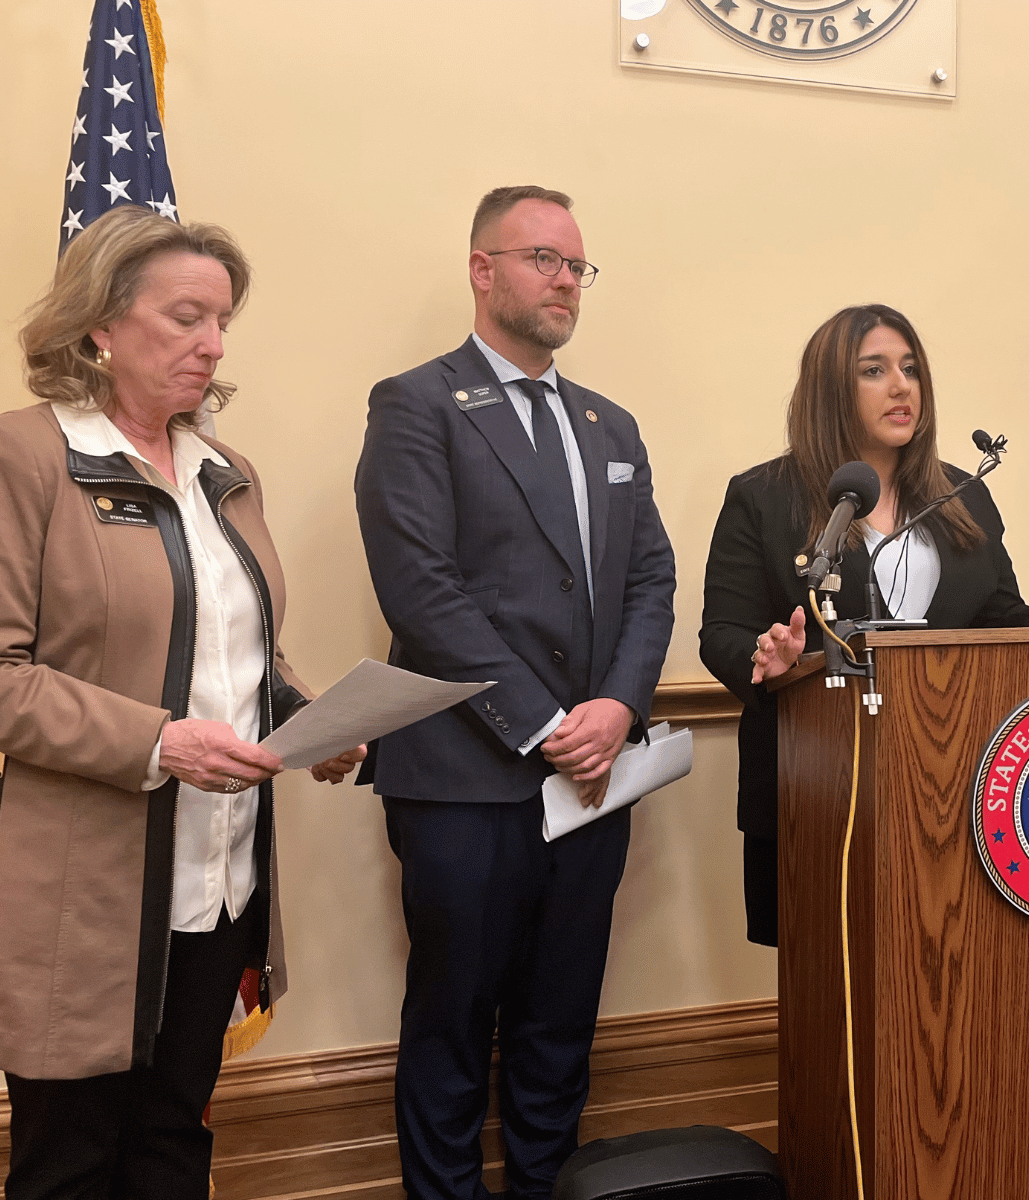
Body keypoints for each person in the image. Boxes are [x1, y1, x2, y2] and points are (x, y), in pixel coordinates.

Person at [0, 204, 363, 1200]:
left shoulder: (226, 474)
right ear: (100, 325)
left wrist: (312, 720)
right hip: (81, 890)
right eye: (186, 317)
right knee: (71, 1165)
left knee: (173, 1147)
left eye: (224, 323)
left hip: (219, 878)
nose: (212, 345)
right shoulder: (16, 456)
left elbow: (233, 654)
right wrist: (163, 745)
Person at [354, 185, 676, 1199]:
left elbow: (650, 580)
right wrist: (544, 725)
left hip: (594, 780)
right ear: (482, 269)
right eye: (544, 258)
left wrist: (618, 709)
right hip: (463, 778)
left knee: (559, 1023)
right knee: (454, 1024)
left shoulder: (608, 423)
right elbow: (420, 589)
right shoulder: (415, 405)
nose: (566, 281)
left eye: (578, 265)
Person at [699, 303, 1029, 947]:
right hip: (820, 783)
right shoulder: (763, 496)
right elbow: (723, 634)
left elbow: (999, 628)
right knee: (831, 970)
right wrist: (771, 659)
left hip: (952, 783)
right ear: (829, 389)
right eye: (873, 370)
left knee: (949, 962)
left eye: (910, 369)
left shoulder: (962, 495)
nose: (902, 386)